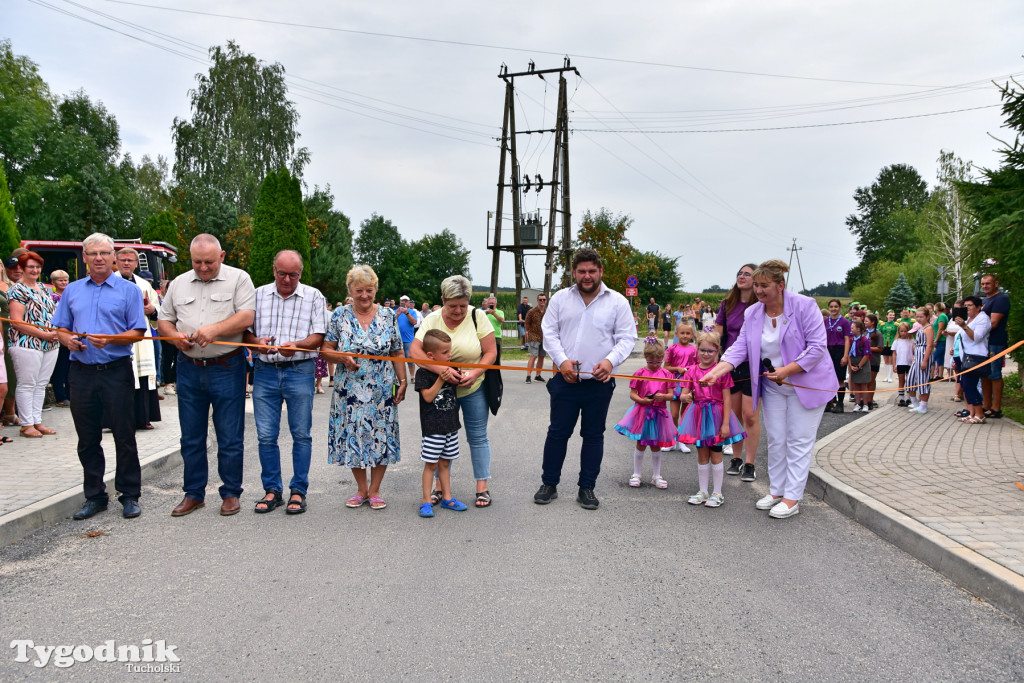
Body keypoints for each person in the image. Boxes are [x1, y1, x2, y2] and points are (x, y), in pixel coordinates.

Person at [700, 260, 837, 519]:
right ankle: (776, 491)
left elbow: (818, 347)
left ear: (780, 285)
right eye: (757, 286)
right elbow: (740, 347)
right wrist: (716, 371)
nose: (759, 291)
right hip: (773, 386)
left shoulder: (804, 306)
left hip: (804, 384)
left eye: (765, 286)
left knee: (798, 440)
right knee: (776, 439)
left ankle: (792, 497)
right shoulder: (753, 313)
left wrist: (786, 371)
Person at [158, 234, 256, 517]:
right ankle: (194, 493)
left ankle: (231, 493)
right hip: (189, 367)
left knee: (229, 436)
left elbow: (246, 316)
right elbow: (164, 319)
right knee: (191, 437)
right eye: (197, 262)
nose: (203, 267)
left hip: (227, 366)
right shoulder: (178, 284)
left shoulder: (238, 279)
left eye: (209, 262)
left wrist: (214, 330)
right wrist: (174, 337)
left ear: (222, 256)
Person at [51, 233, 147, 520]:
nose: (99, 258)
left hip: (115, 370)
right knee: (87, 438)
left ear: (113, 256)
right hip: (81, 372)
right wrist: (67, 341)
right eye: (92, 254)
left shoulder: (128, 290)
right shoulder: (72, 291)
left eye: (104, 253)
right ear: (84, 258)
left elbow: (138, 332)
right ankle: (95, 496)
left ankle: (129, 495)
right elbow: (61, 328)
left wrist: (112, 340)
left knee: (124, 434)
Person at [534, 248, 637, 510]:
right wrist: (561, 360)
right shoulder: (560, 299)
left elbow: (627, 338)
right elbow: (550, 333)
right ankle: (549, 483)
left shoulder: (617, 302)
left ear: (601, 271)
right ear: (574, 273)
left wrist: (610, 361)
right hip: (565, 380)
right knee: (557, 433)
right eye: (582, 271)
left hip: (599, 383)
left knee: (593, 435)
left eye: (592, 271)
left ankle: (587, 487)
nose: (587, 276)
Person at [244, 250, 329, 515]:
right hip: (266, 371)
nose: (287, 279)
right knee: (266, 435)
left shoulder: (314, 296)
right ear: (274, 271)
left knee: (301, 434)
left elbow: (318, 336)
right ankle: (272, 490)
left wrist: (298, 345)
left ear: (301, 273)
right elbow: (246, 331)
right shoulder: (257, 295)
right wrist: (257, 343)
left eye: (293, 274)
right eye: (282, 273)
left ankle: (298, 490)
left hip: (300, 369)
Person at [322, 265, 407, 511]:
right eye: (359, 290)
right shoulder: (339, 315)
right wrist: (342, 358)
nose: (364, 295)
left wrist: (402, 382)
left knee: (381, 435)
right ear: (350, 290)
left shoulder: (389, 315)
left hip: (381, 389)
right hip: (349, 390)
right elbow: (326, 351)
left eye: (369, 290)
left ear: (375, 290)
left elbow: (397, 351)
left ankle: (375, 489)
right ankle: (361, 489)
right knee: (353, 437)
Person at [411, 275, 496, 508]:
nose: (458, 310)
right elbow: (415, 352)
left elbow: (490, 352)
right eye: (452, 306)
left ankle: (482, 487)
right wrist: (442, 371)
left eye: (463, 305)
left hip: (472, 388)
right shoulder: (433, 319)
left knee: (477, 436)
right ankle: (439, 488)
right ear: (442, 300)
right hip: (441, 391)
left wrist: (474, 374)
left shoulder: (478, 317)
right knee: (440, 437)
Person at [678, 331, 746, 508]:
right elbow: (684, 395)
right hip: (699, 415)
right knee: (702, 454)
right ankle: (703, 491)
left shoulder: (722, 372)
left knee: (716, 453)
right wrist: (687, 397)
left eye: (711, 351)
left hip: (716, 416)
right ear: (697, 350)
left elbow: (727, 399)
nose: (706, 354)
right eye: (703, 350)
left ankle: (717, 492)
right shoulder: (691, 371)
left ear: (718, 351)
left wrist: (725, 424)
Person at [414, 329, 468, 517]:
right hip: (433, 428)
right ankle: (426, 501)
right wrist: (440, 379)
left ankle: (447, 498)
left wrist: (465, 378)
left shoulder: (451, 367)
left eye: (449, 351)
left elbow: (462, 381)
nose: (449, 355)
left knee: (445, 463)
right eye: (445, 353)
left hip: (451, 425)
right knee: (431, 464)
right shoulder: (422, 373)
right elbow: (428, 397)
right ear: (431, 355)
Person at [715, 263, 760, 480]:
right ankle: (736, 457)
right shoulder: (727, 304)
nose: (742, 277)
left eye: (747, 274)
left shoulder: (760, 305)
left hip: (754, 365)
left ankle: (750, 463)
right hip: (731, 365)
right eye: (740, 273)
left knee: (749, 415)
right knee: (733, 414)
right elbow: (718, 336)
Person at [8, 251, 60, 437]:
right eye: (30, 266)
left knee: (41, 384)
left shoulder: (44, 288)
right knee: (26, 384)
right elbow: (16, 321)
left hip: (51, 343)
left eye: (37, 267)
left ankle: (37, 421)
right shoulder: (17, 289)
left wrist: (56, 333)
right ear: (21, 268)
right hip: (26, 343)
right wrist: (42, 334)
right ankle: (26, 424)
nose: (35, 270)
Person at [615, 337, 676, 489]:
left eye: (658, 362)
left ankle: (656, 475)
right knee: (641, 443)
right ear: (646, 358)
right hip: (642, 412)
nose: (655, 365)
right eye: (651, 362)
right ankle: (636, 474)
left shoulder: (667, 374)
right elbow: (633, 394)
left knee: (656, 444)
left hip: (659, 413)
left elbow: (672, 395)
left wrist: (663, 397)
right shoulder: (640, 373)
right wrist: (642, 400)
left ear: (662, 359)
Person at [114, 248, 161, 430]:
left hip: (142, 338)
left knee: (141, 376)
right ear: (116, 262)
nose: (126, 263)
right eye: (123, 260)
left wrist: (152, 311)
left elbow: (157, 311)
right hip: (119, 335)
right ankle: (117, 420)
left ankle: (143, 418)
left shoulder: (144, 285)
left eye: (130, 260)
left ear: (136, 263)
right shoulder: (110, 282)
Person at [952, 296, 990, 424]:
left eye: (970, 305)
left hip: (976, 357)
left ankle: (980, 414)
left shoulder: (983, 319)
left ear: (978, 307)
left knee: (969, 385)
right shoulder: (968, 319)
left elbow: (977, 337)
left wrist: (963, 326)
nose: (967, 308)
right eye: (965, 305)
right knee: (966, 385)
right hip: (966, 357)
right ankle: (972, 413)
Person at [980, 273, 1010, 419]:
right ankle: (986, 406)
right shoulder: (985, 300)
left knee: (994, 374)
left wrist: (976, 334)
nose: (985, 286)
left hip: (995, 342)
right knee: (984, 374)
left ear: (996, 284)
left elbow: (993, 323)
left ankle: (996, 408)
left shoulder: (1001, 299)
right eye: (983, 284)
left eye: (988, 283)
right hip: (983, 343)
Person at [664, 322, 696, 454]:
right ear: (676, 334)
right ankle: (672, 440)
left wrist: (690, 370)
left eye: (688, 333)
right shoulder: (671, 349)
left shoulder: (694, 350)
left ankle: (682, 440)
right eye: (682, 333)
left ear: (692, 335)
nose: (685, 336)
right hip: (675, 384)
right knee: (674, 414)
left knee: (685, 414)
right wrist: (677, 368)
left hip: (688, 385)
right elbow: (665, 367)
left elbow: (698, 366)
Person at [0, 255, 23, 427]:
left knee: (12, 374)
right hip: (3, 331)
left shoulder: (11, 285)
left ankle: (10, 412)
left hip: (13, 332)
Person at [823, 299, 852, 413]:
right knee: (828, 378)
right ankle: (829, 402)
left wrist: (845, 356)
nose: (833, 309)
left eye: (836, 306)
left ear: (840, 307)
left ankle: (840, 403)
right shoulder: (825, 321)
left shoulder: (844, 322)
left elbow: (847, 340)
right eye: (831, 307)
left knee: (840, 378)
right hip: (827, 351)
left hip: (839, 351)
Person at [905, 308, 935, 414]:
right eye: (917, 316)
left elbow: (929, 345)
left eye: (921, 316)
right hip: (917, 355)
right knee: (910, 380)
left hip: (924, 355)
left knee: (923, 381)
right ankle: (916, 403)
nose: (919, 319)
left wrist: (925, 361)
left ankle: (923, 405)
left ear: (927, 317)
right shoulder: (920, 327)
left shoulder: (929, 328)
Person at [47, 269, 71, 407]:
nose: (63, 282)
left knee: (70, 368)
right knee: (59, 369)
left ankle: (70, 394)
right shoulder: (51, 297)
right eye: (60, 280)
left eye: (65, 280)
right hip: (55, 335)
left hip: (70, 334)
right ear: (53, 282)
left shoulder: (72, 296)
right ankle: (60, 397)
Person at [848, 320, 872, 412]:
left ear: (858, 329)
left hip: (862, 363)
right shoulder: (851, 340)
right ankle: (857, 403)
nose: (851, 330)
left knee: (863, 385)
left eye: (852, 328)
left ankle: (865, 404)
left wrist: (858, 366)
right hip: (853, 363)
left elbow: (866, 355)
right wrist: (850, 366)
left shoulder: (864, 340)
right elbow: (848, 354)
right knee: (856, 384)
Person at [524, 293, 547, 383]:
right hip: (534, 336)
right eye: (540, 299)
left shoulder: (547, 311)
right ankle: (528, 376)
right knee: (533, 356)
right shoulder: (532, 311)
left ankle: (538, 375)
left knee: (541, 356)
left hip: (543, 337)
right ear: (537, 301)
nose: (542, 301)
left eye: (544, 300)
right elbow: (527, 324)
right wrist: (530, 332)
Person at [396, 294, 421, 377]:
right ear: (400, 302)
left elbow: (414, 322)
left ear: (408, 303)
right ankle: (399, 376)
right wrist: (398, 314)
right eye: (402, 301)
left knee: (410, 359)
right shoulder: (396, 311)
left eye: (406, 301)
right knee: (398, 359)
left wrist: (406, 313)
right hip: (397, 339)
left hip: (408, 339)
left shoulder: (412, 312)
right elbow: (389, 322)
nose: (404, 302)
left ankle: (412, 376)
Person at [892, 323, 914, 406]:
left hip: (909, 364)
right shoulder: (896, 341)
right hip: (900, 363)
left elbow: (914, 352)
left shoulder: (912, 341)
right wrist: (894, 365)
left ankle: (909, 398)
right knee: (901, 381)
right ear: (899, 332)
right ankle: (901, 398)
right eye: (902, 331)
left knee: (909, 381)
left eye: (906, 331)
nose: (904, 333)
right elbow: (894, 353)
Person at [878, 310, 898, 383]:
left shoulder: (896, 324)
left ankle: (890, 377)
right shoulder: (883, 324)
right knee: (886, 361)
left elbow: (897, 333)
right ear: (887, 316)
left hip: (892, 344)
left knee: (891, 361)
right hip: (884, 344)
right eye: (890, 315)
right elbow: (880, 333)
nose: (892, 316)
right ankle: (886, 376)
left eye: (893, 315)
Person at [931, 302, 949, 380]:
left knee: (933, 357)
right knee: (940, 358)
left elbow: (940, 329)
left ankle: (931, 376)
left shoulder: (941, 316)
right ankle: (940, 375)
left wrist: (935, 340)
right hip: (942, 340)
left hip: (940, 340)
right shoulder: (943, 315)